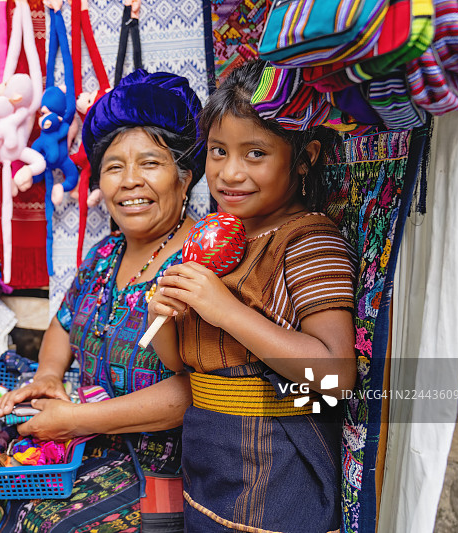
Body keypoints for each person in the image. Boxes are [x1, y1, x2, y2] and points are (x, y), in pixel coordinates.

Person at [0, 70, 204, 533]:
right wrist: (48, 378)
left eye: (150, 164)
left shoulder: (200, 260)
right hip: (86, 444)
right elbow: (63, 322)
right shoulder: (104, 255)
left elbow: (192, 393)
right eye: (114, 166)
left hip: (163, 471)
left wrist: (76, 420)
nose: (130, 182)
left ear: (185, 177)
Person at [148, 59, 357, 533]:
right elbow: (181, 365)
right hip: (210, 460)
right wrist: (161, 314)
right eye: (218, 151)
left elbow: (336, 374)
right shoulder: (216, 238)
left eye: (255, 153)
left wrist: (223, 309)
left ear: (304, 159)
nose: (230, 173)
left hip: (276, 468)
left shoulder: (308, 240)